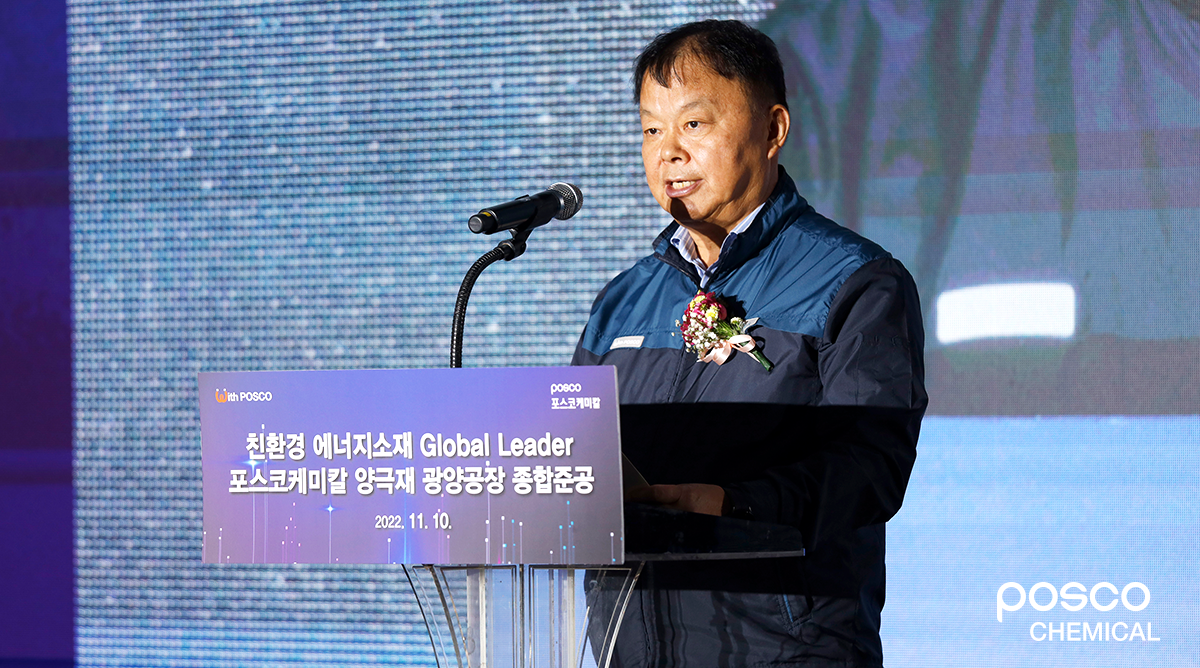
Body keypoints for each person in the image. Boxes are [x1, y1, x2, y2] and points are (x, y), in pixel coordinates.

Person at [572, 19, 927, 667]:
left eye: (694, 124)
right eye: (652, 128)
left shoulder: (856, 282)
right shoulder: (622, 300)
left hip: (785, 649)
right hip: (633, 646)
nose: (668, 152)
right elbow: (574, 454)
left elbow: (872, 468)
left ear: (772, 130)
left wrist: (735, 503)